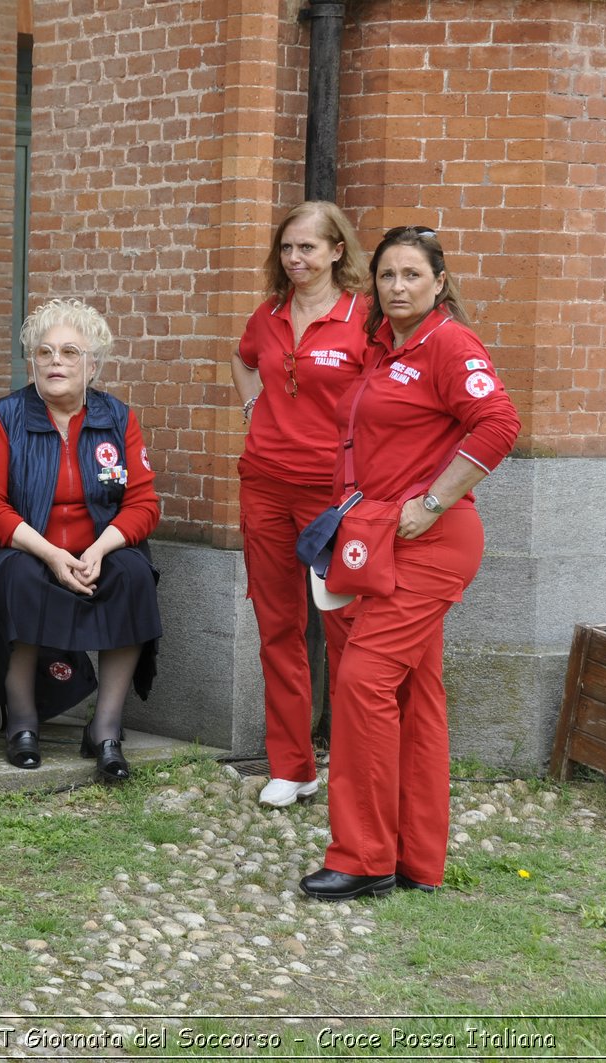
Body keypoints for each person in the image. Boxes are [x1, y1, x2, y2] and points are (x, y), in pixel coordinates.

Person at [298, 226, 520, 901]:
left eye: (412, 275)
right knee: (414, 696)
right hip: (380, 539)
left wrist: (431, 499)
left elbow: (499, 423)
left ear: (439, 282)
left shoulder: (449, 343)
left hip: (431, 539)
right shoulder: (384, 346)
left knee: (363, 682)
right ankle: (417, 860)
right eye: (388, 275)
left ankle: (363, 856)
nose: (397, 286)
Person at [0, 299, 162, 782]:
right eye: (45, 352)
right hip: (28, 549)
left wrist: (98, 549)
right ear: (32, 361)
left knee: (133, 574)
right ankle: (23, 720)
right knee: (18, 578)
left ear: (93, 364)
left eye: (70, 352)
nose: (56, 362)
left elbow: (143, 503)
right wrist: (52, 553)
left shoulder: (118, 418)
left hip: (96, 550)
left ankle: (105, 728)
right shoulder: (5, 418)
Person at [231, 202, 369, 808]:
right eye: (288, 248)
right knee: (277, 627)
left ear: (338, 250)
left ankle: (358, 769)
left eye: (308, 248)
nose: (296, 259)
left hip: (332, 497)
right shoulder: (268, 315)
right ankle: (293, 766)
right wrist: (252, 409)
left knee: (346, 629)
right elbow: (240, 357)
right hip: (264, 485)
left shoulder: (364, 318)